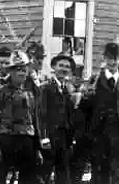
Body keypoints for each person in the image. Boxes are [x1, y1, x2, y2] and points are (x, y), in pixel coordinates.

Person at [78, 42, 119, 184]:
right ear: (103, 59)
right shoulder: (95, 80)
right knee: (98, 173)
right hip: (98, 135)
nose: (112, 61)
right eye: (109, 58)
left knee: (118, 173)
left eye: (115, 58)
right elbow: (85, 109)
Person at [0, 50, 43, 184]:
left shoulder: (32, 92)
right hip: (6, 139)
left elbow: (36, 120)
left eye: (24, 70)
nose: (21, 73)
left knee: (29, 177)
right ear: (10, 72)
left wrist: (38, 146)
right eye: (17, 70)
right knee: (0, 177)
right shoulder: (0, 92)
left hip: (27, 140)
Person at [40, 53, 77, 184]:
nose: (64, 69)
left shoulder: (67, 89)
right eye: (61, 65)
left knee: (63, 173)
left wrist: (71, 139)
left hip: (64, 137)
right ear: (54, 67)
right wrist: (44, 137)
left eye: (67, 67)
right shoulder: (45, 88)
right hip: (50, 135)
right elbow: (41, 113)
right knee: (45, 171)